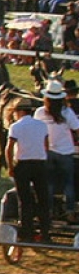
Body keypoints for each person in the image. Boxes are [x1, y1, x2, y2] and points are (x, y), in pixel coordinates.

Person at [6, 101, 50, 241]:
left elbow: (9, 148)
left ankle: (27, 232)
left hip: (23, 165)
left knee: (24, 200)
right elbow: (46, 146)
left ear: (20, 112)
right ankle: (45, 232)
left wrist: (11, 167)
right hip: (40, 164)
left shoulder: (16, 127)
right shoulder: (42, 125)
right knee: (43, 199)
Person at [35, 80, 79, 222]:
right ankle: (70, 211)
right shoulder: (67, 112)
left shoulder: (40, 112)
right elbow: (77, 129)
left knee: (49, 184)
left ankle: (50, 211)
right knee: (68, 183)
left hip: (48, 151)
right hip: (66, 152)